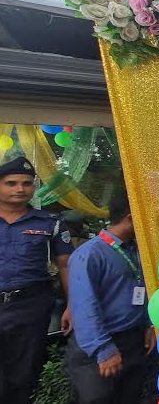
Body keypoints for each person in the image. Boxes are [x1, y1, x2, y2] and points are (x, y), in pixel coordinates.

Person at [65, 193, 155, 404]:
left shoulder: (137, 249)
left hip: (133, 341)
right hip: (100, 347)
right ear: (131, 218)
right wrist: (103, 350)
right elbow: (84, 306)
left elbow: (144, 289)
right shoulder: (89, 254)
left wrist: (149, 325)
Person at [0, 156, 74, 404]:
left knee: (23, 376)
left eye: (26, 183)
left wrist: (71, 305)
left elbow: (65, 265)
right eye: (11, 183)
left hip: (29, 307)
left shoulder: (51, 222)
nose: (20, 189)